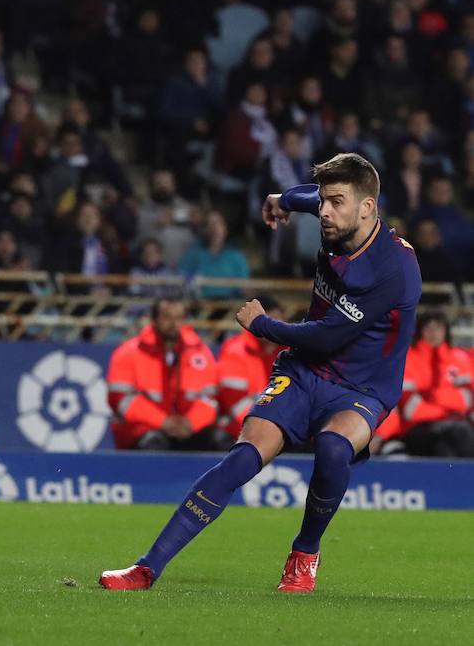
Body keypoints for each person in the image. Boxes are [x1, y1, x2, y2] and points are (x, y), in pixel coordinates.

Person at [100, 153, 421, 593]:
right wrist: (283, 199)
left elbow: (328, 336)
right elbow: (312, 199)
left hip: (363, 386)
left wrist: (262, 324)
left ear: (367, 209)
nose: (325, 211)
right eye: (324, 201)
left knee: (331, 447)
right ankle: (146, 568)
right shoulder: (338, 219)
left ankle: (305, 552)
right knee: (244, 457)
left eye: (337, 202)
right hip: (306, 372)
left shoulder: (394, 270)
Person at [106, 296, 226, 452]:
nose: (174, 324)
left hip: (187, 428)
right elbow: (120, 400)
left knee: (221, 441)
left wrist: (191, 423)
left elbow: (211, 399)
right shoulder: (128, 353)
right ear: (153, 320)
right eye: (167, 317)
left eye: (179, 318)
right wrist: (163, 422)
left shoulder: (200, 353)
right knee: (153, 442)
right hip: (143, 429)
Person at [372, 312, 474, 458]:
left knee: (462, 435)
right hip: (416, 428)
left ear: (446, 331)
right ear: (420, 330)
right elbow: (410, 408)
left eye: (438, 328)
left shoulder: (459, 358)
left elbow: (468, 400)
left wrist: (432, 396)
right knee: (443, 444)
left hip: (456, 426)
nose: (434, 333)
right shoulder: (407, 358)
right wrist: (447, 408)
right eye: (428, 328)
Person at [216, 296, 286, 439]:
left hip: (284, 428)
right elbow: (236, 404)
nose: (274, 327)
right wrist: (268, 429)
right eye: (269, 321)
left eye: (278, 322)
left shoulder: (292, 350)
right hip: (240, 430)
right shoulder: (235, 351)